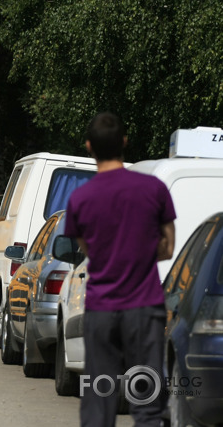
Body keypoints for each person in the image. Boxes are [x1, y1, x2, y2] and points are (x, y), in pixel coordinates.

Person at [64, 112, 176, 427]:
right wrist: (139, 253)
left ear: (89, 147)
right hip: (144, 308)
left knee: (99, 402)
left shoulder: (80, 198)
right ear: (124, 142)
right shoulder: (153, 189)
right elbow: (167, 246)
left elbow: (89, 251)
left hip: (101, 310)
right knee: (148, 403)